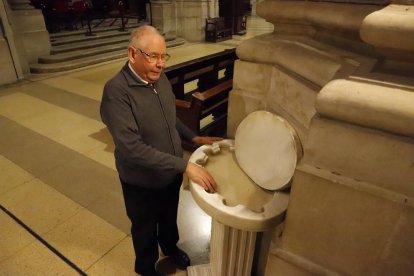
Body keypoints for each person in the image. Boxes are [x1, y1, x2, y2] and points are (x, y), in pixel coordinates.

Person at [100, 25, 222, 276]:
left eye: (163, 56)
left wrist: (193, 137)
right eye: (153, 56)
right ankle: (145, 268)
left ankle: (170, 247)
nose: (160, 64)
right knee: (144, 228)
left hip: (169, 172)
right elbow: (132, 148)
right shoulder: (116, 92)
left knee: (168, 217)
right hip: (141, 180)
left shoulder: (159, 78)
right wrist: (185, 165)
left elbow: (169, 118)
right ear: (132, 54)